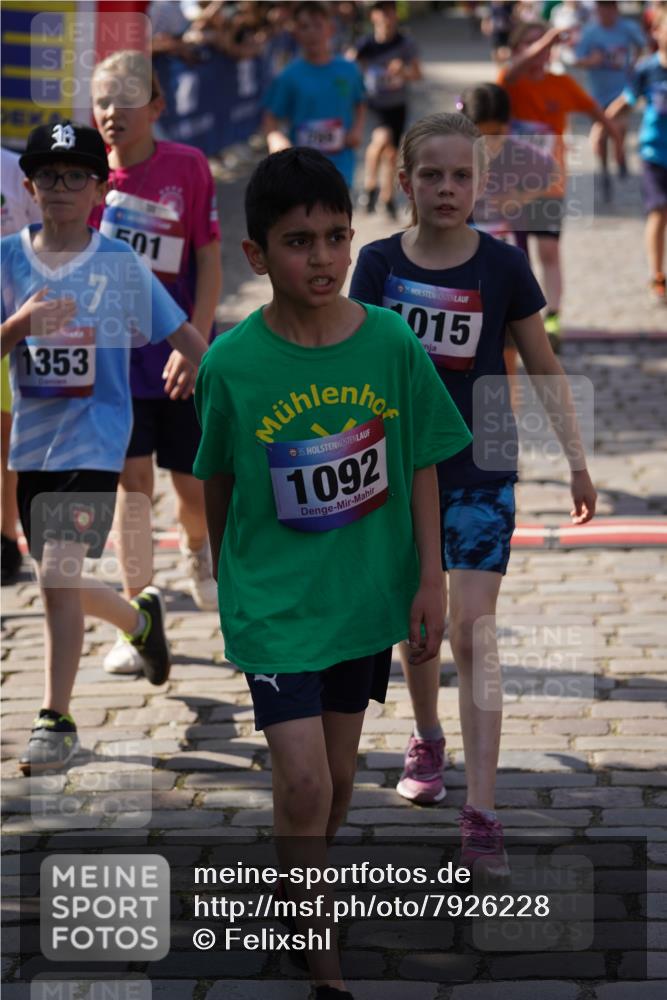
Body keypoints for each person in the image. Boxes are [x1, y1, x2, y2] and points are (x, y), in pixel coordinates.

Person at [193, 146, 471, 998]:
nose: (319, 258)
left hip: (363, 599)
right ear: (256, 255)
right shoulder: (231, 365)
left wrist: (431, 580)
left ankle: (293, 881)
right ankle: (324, 966)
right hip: (276, 606)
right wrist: (229, 580)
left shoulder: (389, 342)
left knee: (340, 783)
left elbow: (421, 460)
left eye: (334, 237)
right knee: (305, 778)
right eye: (296, 241)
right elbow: (220, 485)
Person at [349, 112, 596, 876]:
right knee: (417, 623)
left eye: (461, 176)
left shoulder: (501, 266)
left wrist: (576, 461)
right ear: (405, 182)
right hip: (395, 469)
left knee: (472, 630)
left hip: (481, 465)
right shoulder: (377, 264)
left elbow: (544, 366)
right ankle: (425, 735)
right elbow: (350, 364)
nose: (446, 189)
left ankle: (481, 809)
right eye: (431, 175)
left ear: (481, 184)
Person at [0, 120, 209, 775]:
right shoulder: (7, 258)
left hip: (95, 443)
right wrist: (21, 325)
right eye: (49, 176)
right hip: (32, 448)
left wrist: (224, 386)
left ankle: (54, 718)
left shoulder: (117, 262)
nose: (61, 187)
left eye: (76, 176)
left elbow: (183, 337)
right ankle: (139, 621)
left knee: (55, 577)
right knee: (54, 578)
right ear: (29, 187)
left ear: (98, 188)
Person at [89, 50, 223, 676]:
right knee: (130, 486)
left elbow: (212, 258)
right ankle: (138, 619)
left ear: (158, 107)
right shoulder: (84, 180)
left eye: (126, 98)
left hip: (181, 355)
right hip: (115, 363)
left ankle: (198, 551)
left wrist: (194, 342)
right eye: (102, 100)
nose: (112, 111)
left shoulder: (188, 167)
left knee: (190, 485)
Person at [498, 18, 623, 351]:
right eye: (532, 43)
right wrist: (549, 37)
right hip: (511, 185)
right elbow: (510, 72)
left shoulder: (562, 84)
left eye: (547, 44)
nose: (541, 50)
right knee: (516, 256)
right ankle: (519, 319)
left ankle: (553, 316)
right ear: (517, 49)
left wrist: (614, 136)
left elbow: (595, 111)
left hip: (549, 184)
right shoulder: (510, 82)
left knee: (549, 250)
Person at [457, 82, 561, 396]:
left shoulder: (521, 153)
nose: (489, 144)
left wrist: (520, 195)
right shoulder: (453, 154)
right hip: (459, 271)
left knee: (507, 354)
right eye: (481, 135)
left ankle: (508, 421)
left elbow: (552, 173)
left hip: (506, 270)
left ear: (508, 126)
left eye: (496, 135)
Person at [261, 0, 366, 189]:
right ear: (295, 34)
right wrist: (276, 139)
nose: (311, 32)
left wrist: (357, 129)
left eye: (318, 25)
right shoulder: (288, 76)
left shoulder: (349, 70)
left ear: (331, 29)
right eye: (304, 27)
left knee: (336, 217)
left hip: (341, 167)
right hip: (302, 171)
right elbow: (270, 119)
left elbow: (360, 102)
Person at [1, 147, 42, 585]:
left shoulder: (12, 169)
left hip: (13, 322)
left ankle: (7, 536)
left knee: (7, 438)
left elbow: (43, 235)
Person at [607, 6, 667, 303]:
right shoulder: (647, 68)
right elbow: (627, 100)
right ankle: (657, 275)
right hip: (654, 154)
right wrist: (604, 122)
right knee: (658, 211)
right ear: (656, 32)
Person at [352, 0, 422, 218]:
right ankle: (370, 186)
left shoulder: (405, 44)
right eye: (382, 12)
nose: (386, 16)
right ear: (373, 16)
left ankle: (387, 197)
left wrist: (403, 72)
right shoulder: (364, 44)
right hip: (374, 105)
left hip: (397, 105)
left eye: (390, 11)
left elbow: (418, 75)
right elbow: (347, 69)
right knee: (381, 140)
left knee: (392, 153)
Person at [575, 1, 646, 200]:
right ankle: (605, 170)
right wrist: (591, 61)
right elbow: (577, 59)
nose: (605, 12)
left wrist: (635, 66)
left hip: (622, 92)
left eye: (609, 8)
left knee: (618, 130)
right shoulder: (590, 32)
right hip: (597, 94)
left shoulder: (627, 28)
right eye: (601, 8)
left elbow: (642, 46)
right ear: (597, 10)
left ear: (616, 9)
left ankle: (620, 158)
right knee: (601, 136)